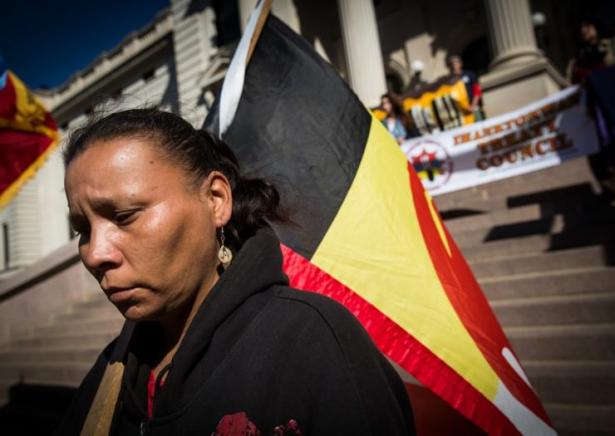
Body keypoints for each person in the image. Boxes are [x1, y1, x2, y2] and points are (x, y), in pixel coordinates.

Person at [56, 108, 415, 435]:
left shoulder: (313, 338)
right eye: (83, 230)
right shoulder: (109, 372)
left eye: (124, 216)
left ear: (215, 199)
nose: (95, 253)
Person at [568, 19, 615, 85]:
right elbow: (569, 84)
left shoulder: (611, 45)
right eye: (580, 28)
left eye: (587, 26)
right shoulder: (577, 61)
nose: (583, 30)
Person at [446, 54, 484, 121]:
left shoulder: (470, 74)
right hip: (460, 112)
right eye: (451, 63)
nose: (454, 65)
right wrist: (463, 107)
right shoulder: (449, 80)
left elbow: (477, 90)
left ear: (461, 63)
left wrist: (473, 105)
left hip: (474, 108)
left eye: (456, 62)